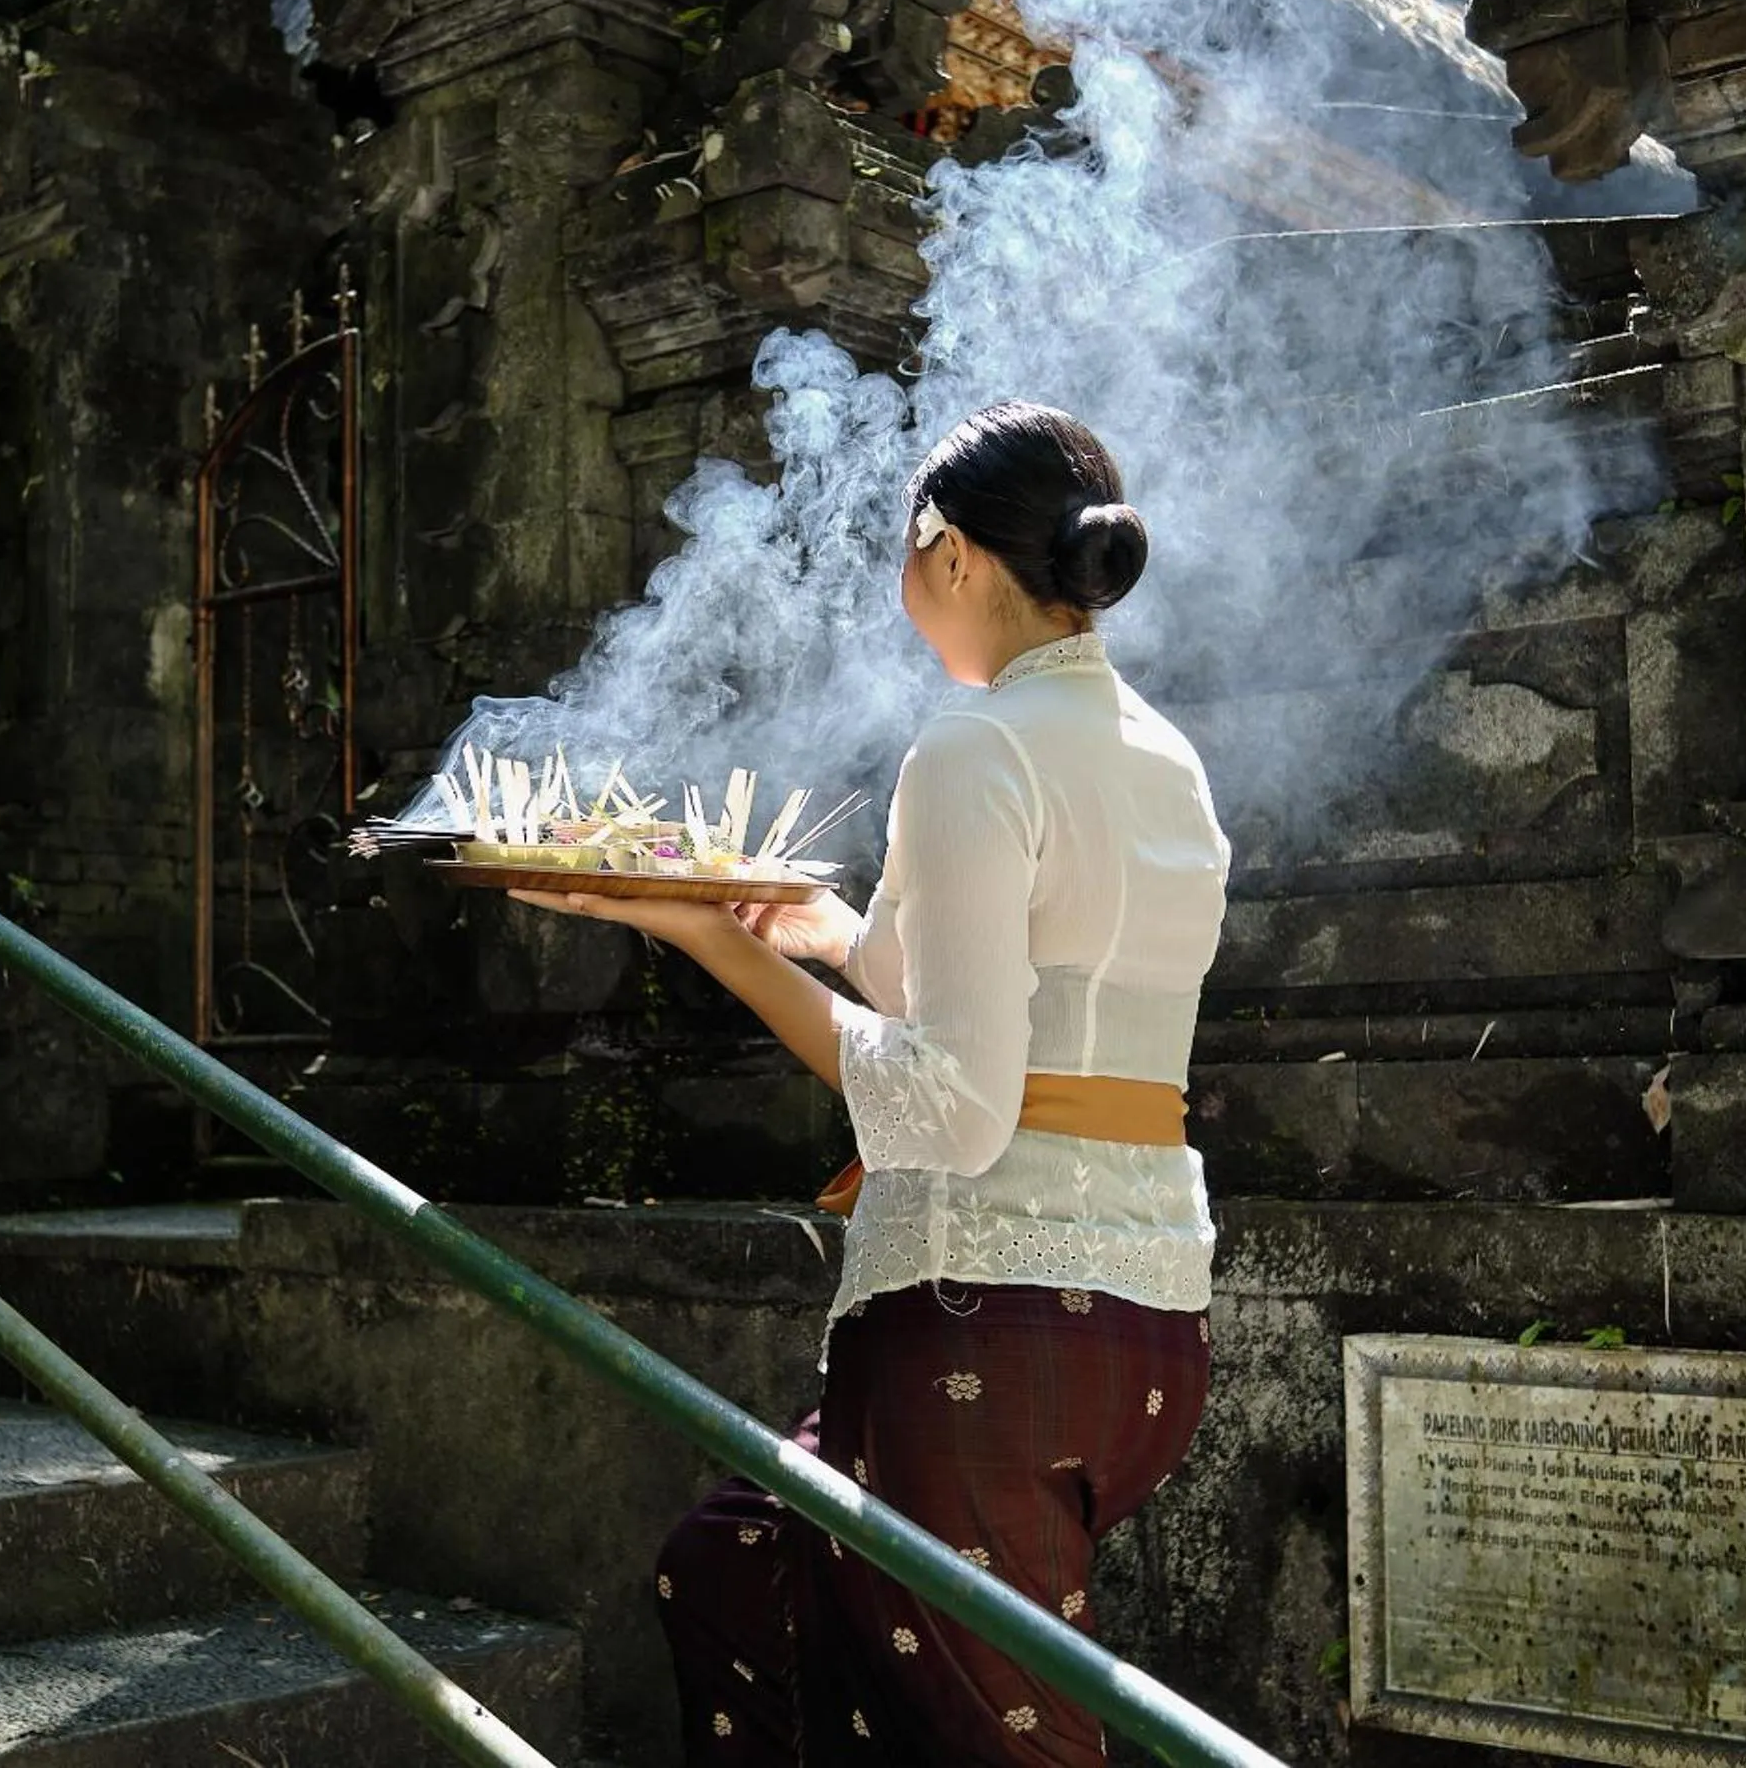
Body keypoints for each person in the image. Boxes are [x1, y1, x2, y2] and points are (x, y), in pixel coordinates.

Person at [511, 400, 1231, 1763]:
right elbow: (962, 983)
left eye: (908, 554)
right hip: (1139, 1335)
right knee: (731, 1570)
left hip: (988, 1319)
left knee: (1002, 1743)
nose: (902, 592)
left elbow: (956, 1105)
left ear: (953, 553)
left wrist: (707, 939)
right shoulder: (1160, 754)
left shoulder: (974, 749)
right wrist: (778, 908)